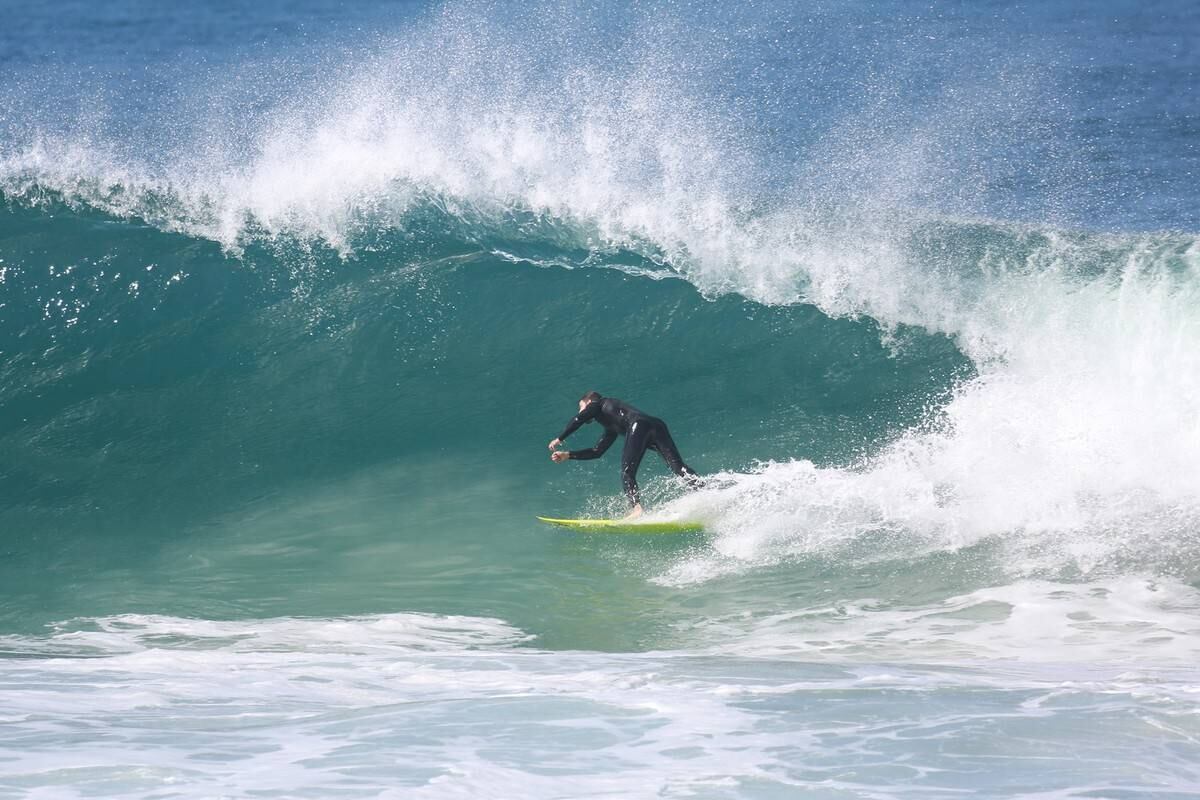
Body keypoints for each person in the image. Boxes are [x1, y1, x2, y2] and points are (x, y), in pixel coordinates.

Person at [548, 391, 701, 519]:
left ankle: (637, 509)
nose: (580, 411)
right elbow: (597, 451)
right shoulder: (611, 423)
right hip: (657, 425)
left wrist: (559, 439)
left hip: (639, 425)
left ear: (588, 402)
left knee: (627, 472)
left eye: (581, 407)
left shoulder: (598, 403)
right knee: (678, 467)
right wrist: (568, 455)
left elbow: (579, 419)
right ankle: (703, 490)